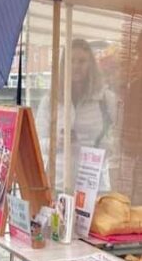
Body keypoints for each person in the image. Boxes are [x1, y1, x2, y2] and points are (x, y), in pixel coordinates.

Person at [35, 38, 117, 192]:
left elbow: (118, 138)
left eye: (82, 61)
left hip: (95, 184)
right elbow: (37, 143)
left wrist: (103, 150)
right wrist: (56, 142)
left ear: (91, 64)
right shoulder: (50, 101)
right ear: (63, 65)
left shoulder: (106, 99)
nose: (76, 66)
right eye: (71, 61)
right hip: (58, 183)